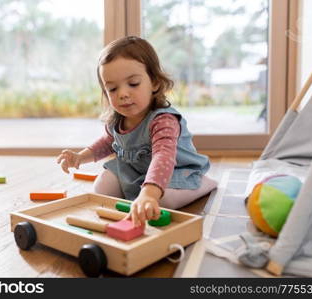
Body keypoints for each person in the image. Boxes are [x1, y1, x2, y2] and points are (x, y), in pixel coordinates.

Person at [57, 36, 217, 226]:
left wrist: (149, 194)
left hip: (176, 171)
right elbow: (108, 142)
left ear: (155, 83)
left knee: (162, 201)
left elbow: (163, 157)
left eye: (133, 84)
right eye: (113, 88)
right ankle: (141, 194)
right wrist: (80, 157)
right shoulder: (118, 119)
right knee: (100, 189)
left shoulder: (164, 120)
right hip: (136, 171)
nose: (123, 94)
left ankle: (204, 183)